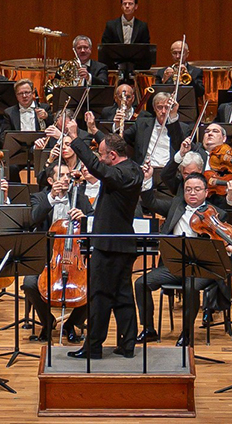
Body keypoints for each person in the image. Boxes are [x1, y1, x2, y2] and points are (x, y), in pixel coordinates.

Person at [65, 121, 143, 359]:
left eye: (102, 154)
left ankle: (93, 348)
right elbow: (107, 155)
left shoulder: (124, 173)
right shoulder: (131, 168)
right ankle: (127, 344)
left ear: (112, 155)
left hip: (109, 245)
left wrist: (75, 138)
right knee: (122, 296)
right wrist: (95, 131)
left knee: (99, 296)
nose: (100, 158)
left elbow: (100, 169)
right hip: (120, 244)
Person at [135, 172, 231, 347]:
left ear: (206, 192)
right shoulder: (176, 205)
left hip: (203, 267)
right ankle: (148, 328)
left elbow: (223, 242)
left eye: (196, 189)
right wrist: (148, 179)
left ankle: (187, 332)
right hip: (175, 265)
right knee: (141, 283)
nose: (192, 193)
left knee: (190, 286)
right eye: (188, 190)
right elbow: (150, 202)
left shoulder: (218, 214)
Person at [22, 165, 92, 342]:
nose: (66, 179)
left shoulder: (80, 198)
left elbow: (94, 223)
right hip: (47, 255)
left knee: (95, 283)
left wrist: (84, 218)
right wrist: (51, 198)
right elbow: (32, 220)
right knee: (30, 282)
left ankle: (72, 324)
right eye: (61, 175)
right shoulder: (39, 198)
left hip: (74, 255)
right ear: (51, 181)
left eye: (68, 175)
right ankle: (47, 322)